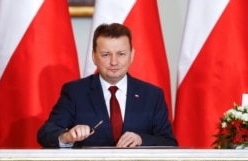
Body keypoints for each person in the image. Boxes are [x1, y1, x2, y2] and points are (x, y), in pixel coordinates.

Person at [37, 23, 177, 148]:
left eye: (121, 54)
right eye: (105, 55)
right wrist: (67, 136)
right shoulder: (75, 92)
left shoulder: (152, 95)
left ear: (131, 55)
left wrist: (141, 139)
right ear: (94, 56)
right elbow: (46, 133)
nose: (114, 62)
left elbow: (169, 142)